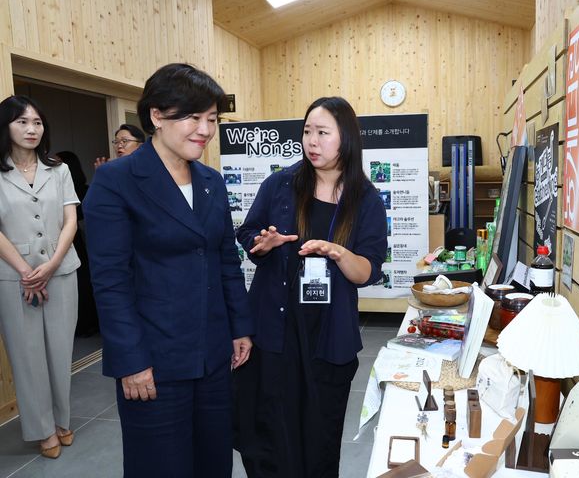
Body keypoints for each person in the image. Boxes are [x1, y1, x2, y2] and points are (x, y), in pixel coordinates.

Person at [83, 63, 254, 477]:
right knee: (160, 465)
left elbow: (225, 259)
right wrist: (130, 361)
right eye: (193, 117)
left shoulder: (211, 180)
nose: (205, 129)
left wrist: (239, 327)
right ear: (157, 116)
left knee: (213, 461)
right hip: (154, 361)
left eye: (212, 119)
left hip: (214, 355)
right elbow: (110, 281)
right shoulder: (116, 181)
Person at [233, 96, 387, 478]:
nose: (311, 141)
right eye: (307, 132)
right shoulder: (280, 184)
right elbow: (249, 234)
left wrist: (337, 252)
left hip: (328, 336)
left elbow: (366, 270)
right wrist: (262, 243)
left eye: (322, 133)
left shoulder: (364, 199)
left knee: (319, 440)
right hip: (276, 331)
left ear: (345, 139)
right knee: (271, 437)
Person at [0, 95, 80, 458]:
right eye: (22, 122)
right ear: (6, 126)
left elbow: (70, 221)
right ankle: (42, 429)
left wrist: (50, 265)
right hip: (13, 276)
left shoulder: (58, 169)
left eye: (37, 122)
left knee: (60, 351)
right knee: (27, 355)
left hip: (60, 270)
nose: (32, 129)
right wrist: (25, 271)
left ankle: (62, 420)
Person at [55, 150, 99, 337]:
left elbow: (83, 216)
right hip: (71, 240)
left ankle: (87, 323)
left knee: (82, 281)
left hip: (78, 241)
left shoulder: (83, 189)